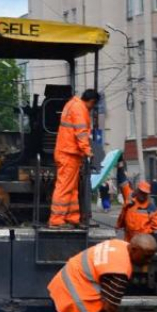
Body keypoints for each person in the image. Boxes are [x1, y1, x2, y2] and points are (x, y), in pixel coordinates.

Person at [48, 89, 100, 229]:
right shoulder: (79, 109)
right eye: (93, 106)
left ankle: (72, 217)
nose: (91, 109)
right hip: (68, 153)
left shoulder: (72, 104)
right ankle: (56, 220)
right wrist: (88, 151)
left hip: (68, 152)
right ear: (92, 102)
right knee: (64, 188)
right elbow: (81, 133)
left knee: (71, 188)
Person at [115, 160, 157, 243]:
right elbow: (123, 182)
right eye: (141, 192)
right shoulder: (130, 198)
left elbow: (156, 228)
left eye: (145, 193)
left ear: (147, 194)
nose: (142, 195)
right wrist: (120, 166)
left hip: (143, 242)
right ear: (137, 191)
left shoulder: (151, 208)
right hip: (129, 240)